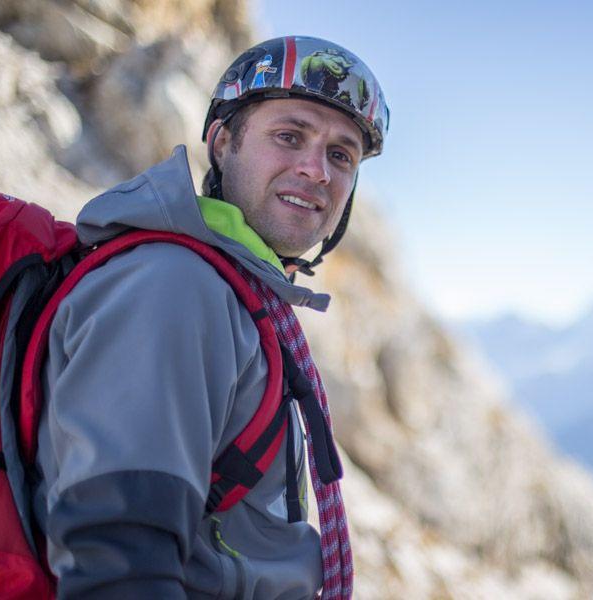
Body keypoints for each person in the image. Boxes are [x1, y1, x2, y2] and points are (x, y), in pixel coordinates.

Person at [31, 35, 389, 599]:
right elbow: (120, 559)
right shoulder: (174, 287)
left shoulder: (241, 300)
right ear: (223, 144)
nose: (317, 170)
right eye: (290, 136)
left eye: (341, 155)